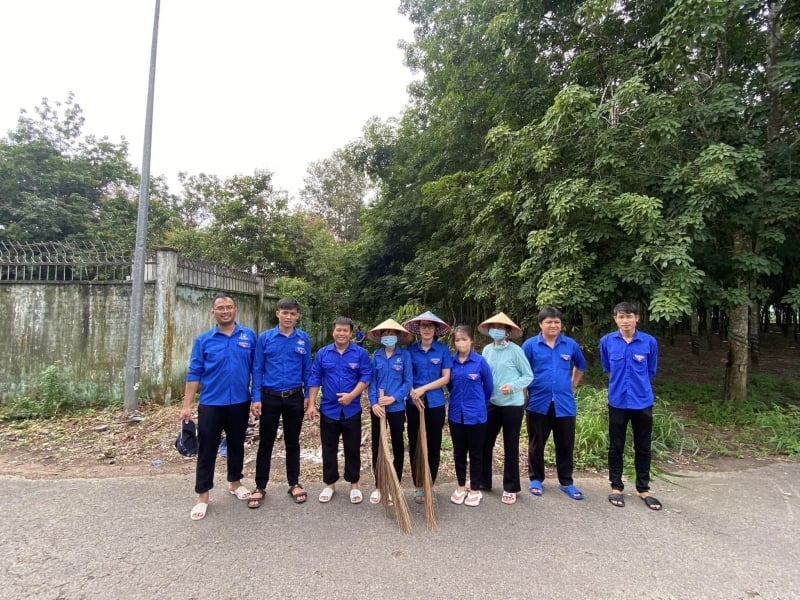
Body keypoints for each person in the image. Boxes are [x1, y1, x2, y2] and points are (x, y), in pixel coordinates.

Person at [180, 293, 255, 521]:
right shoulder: (203, 340)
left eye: (229, 307)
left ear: (235, 310)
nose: (225, 311)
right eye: (220, 308)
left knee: (236, 445)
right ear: (213, 312)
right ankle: (203, 495)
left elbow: (256, 370)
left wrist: (256, 398)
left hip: (240, 402)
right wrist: (186, 405)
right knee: (208, 449)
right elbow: (194, 373)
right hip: (212, 403)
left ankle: (235, 482)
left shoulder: (248, 336)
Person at [248, 297, 312, 509]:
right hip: (269, 397)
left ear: (297, 316)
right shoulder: (265, 338)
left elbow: (307, 370)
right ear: (277, 314)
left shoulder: (303, 339)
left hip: (294, 397)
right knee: (266, 442)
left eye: (292, 314)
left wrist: (308, 398)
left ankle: (294, 483)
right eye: (285, 313)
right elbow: (257, 369)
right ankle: (260, 486)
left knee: (292, 442)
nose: (288, 317)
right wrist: (255, 398)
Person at [600, 301, 662, 511]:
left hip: (642, 401)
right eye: (621, 316)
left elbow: (651, 370)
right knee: (616, 445)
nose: (625, 320)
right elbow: (607, 369)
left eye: (629, 316)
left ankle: (643, 488)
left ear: (637, 318)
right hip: (617, 401)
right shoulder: (607, 342)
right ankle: (616, 487)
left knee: (643, 447)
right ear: (615, 319)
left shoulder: (649, 342)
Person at [522, 307, 587, 500]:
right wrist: (525, 394)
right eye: (549, 322)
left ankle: (566, 482)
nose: (553, 325)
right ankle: (535, 479)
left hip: (564, 403)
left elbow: (580, 365)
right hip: (537, 403)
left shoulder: (570, 345)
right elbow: (522, 371)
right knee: (536, 443)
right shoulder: (530, 345)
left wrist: (573, 385)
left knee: (565, 444)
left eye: (557, 322)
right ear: (540, 324)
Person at [306, 316, 372, 504]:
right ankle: (330, 484)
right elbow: (315, 378)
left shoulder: (360, 354)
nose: (341, 333)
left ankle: (354, 484)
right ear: (333, 332)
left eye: (345, 331)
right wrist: (311, 404)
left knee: (353, 448)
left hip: (352, 410)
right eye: (338, 330)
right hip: (328, 409)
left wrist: (351, 395)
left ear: (351, 333)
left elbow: (366, 376)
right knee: (329, 448)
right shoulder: (323, 354)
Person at [479, 312, 533, 505]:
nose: (497, 331)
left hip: (512, 405)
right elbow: (483, 374)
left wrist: (513, 386)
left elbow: (528, 376)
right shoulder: (486, 350)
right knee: (485, 443)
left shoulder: (516, 351)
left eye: (501, 328)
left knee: (511, 445)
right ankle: (483, 481)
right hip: (491, 403)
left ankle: (511, 487)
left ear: (508, 331)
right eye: (494, 328)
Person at [402, 310, 452, 504]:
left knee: (433, 444)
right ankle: (417, 486)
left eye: (430, 326)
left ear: (435, 330)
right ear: (418, 330)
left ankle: (430, 484)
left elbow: (446, 377)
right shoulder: (410, 351)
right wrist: (413, 392)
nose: (427, 330)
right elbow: (406, 377)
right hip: (413, 402)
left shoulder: (442, 351)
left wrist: (422, 389)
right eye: (423, 326)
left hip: (436, 403)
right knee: (415, 444)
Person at [366, 318, 413, 504]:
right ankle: (379, 486)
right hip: (378, 409)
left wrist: (394, 397)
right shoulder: (376, 355)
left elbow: (408, 381)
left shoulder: (405, 356)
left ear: (398, 336)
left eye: (391, 334)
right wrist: (373, 402)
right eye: (385, 334)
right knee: (378, 446)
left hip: (396, 408)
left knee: (397, 446)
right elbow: (372, 381)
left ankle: (395, 485)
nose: (388, 337)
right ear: (380, 337)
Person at [447, 325, 493, 507]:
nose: (461, 343)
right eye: (457, 340)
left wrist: (478, 402)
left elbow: (488, 388)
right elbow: (449, 385)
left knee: (475, 453)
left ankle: (474, 488)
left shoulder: (480, 362)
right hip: (456, 414)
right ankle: (460, 486)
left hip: (476, 415)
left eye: (464, 339)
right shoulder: (451, 362)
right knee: (459, 452)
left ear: (471, 340)